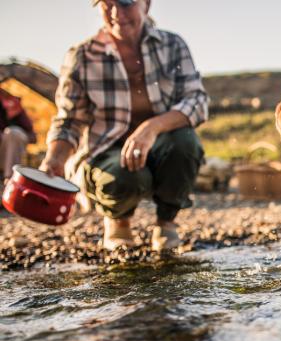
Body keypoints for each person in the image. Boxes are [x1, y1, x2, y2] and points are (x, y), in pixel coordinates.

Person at [39, 0, 208, 251]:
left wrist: (150, 128)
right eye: (107, 4)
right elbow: (69, 119)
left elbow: (197, 101)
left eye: (126, 3)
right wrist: (55, 158)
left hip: (161, 146)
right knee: (125, 176)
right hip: (107, 154)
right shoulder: (81, 55)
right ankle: (118, 222)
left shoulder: (173, 45)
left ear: (146, 5)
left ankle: (166, 223)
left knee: (185, 143)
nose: (117, 13)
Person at [0, 88, 37, 184]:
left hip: (7, 148)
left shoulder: (10, 103)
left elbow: (32, 136)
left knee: (13, 133)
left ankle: (10, 180)